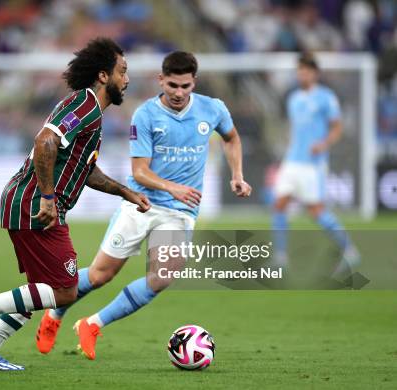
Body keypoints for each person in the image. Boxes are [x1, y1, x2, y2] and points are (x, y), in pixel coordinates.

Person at [35, 51, 252, 360]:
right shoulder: (146, 115)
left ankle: (93, 324)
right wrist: (172, 187)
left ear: (194, 83)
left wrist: (237, 175)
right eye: (173, 85)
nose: (178, 93)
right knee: (99, 276)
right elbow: (139, 171)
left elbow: (231, 138)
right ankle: (54, 315)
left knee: (162, 277)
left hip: (179, 212)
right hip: (141, 204)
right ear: (161, 80)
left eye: (185, 86)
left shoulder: (212, 109)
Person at [0, 38, 151, 370]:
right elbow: (45, 140)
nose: (127, 80)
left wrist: (124, 192)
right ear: (103, 76)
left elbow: (84, 170)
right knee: (64, 292)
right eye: (122, 71)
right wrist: (47, 198)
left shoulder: (91, 114)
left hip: (29, 200)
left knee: (39, 290)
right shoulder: (84, 105)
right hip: (36, 202)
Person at [272, 53, 359, 275]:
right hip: (292, 160)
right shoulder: (293, 99)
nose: (302, 74)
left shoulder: (326, 97)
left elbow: (337, 127)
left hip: (313, 164)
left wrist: (324, 143)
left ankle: (349, 251)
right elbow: (296, 129)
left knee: (316, 211)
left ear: (315, 73)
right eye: (299, 71)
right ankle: (280, 258)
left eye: (306, 70)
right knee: (279, 205)